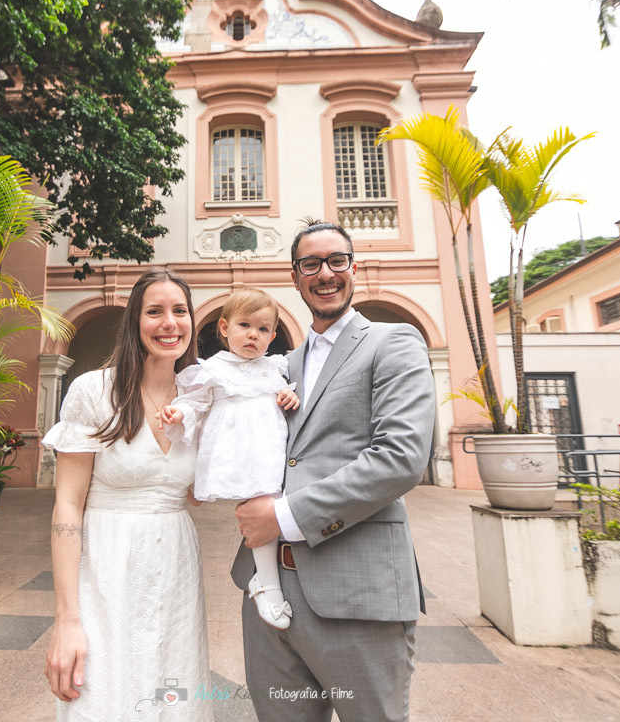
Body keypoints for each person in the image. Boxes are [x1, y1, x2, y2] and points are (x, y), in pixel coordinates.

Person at [232, 221, 436, 722]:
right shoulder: (281, 363)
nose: (325, 274)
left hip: (357, 592)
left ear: (353, 267)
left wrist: (281, 517)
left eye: (336, 261)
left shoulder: (393, 341)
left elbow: (401, 457)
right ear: (296, 276)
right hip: (268, 596)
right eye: (310, 264)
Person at [42, 267, 211, 721]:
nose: (169, 323)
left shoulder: (199, 400)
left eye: (180, 311)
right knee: (101, 697)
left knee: (171, 699)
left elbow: (196, 487)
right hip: (106, 566)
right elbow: (67, 505)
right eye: (154, 311)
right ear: (135, 322)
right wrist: (67, 620)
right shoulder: (94, 391)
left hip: (176, 563)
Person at [158, 288, 301, 629]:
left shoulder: (274, 367)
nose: (254, 334)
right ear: (224, 327)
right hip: (235, 451)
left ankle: (263, 579)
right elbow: (195, 402)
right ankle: (266, 583)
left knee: (267, 508)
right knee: (262, 505)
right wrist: (179, 414)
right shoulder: (212, 369)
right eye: (245, 325)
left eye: (264, 329)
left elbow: (286, 392)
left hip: (268, 448)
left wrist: (288, 394)